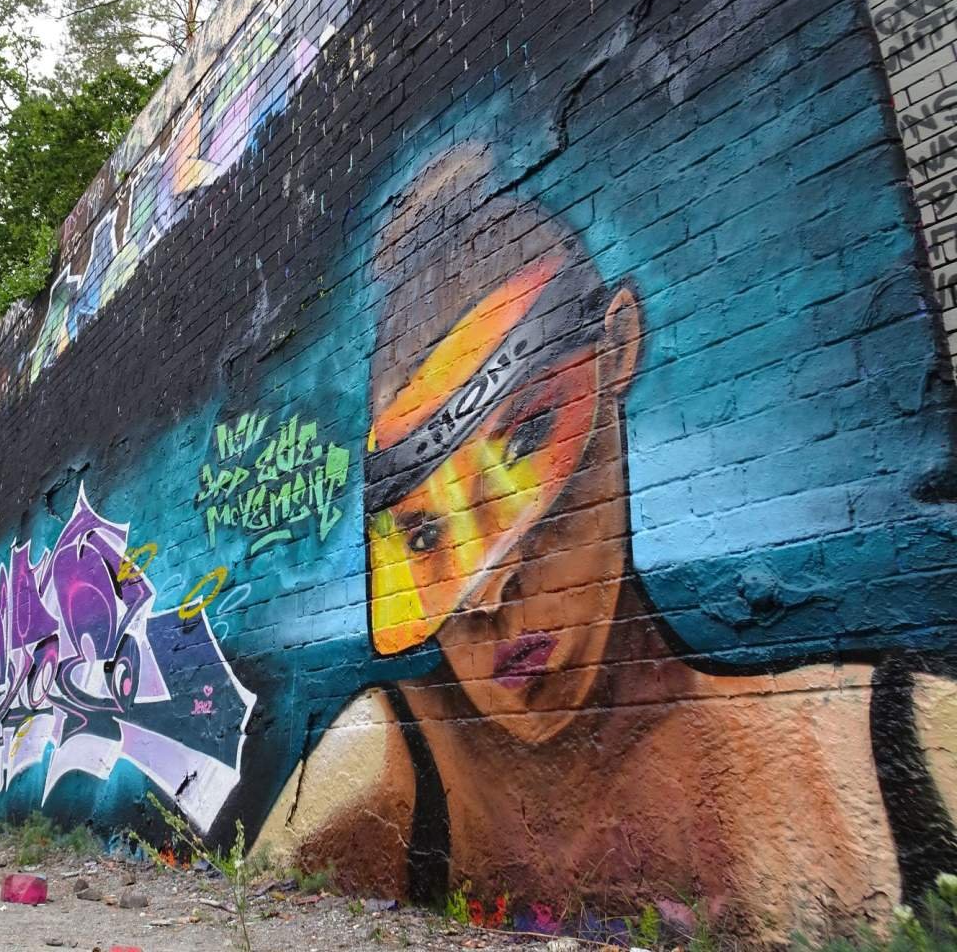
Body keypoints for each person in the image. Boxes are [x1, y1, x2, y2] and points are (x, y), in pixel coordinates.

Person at [255, 143, 903, 942]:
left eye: (527, 438)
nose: (486, 591)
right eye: (423, 531)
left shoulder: (877, 748)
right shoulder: (384, 766)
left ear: (618, 344)